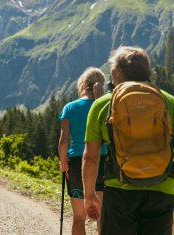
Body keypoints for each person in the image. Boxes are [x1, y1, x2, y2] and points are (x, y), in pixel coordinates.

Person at [82, 46, 174, 234]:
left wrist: (89, 195)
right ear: (147, 71)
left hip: (119, 191)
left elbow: (90, 157)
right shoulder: (166, 100)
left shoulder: (102, 105)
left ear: (117, 73)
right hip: (160, 190)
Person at [58, 67, 107, 235]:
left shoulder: (70, 108)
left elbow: (64, 141)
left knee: (79, 217)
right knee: (103, 216)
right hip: (104, 161)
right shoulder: (107, 105)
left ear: (82, 84)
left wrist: (63, 164)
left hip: (77, 163)